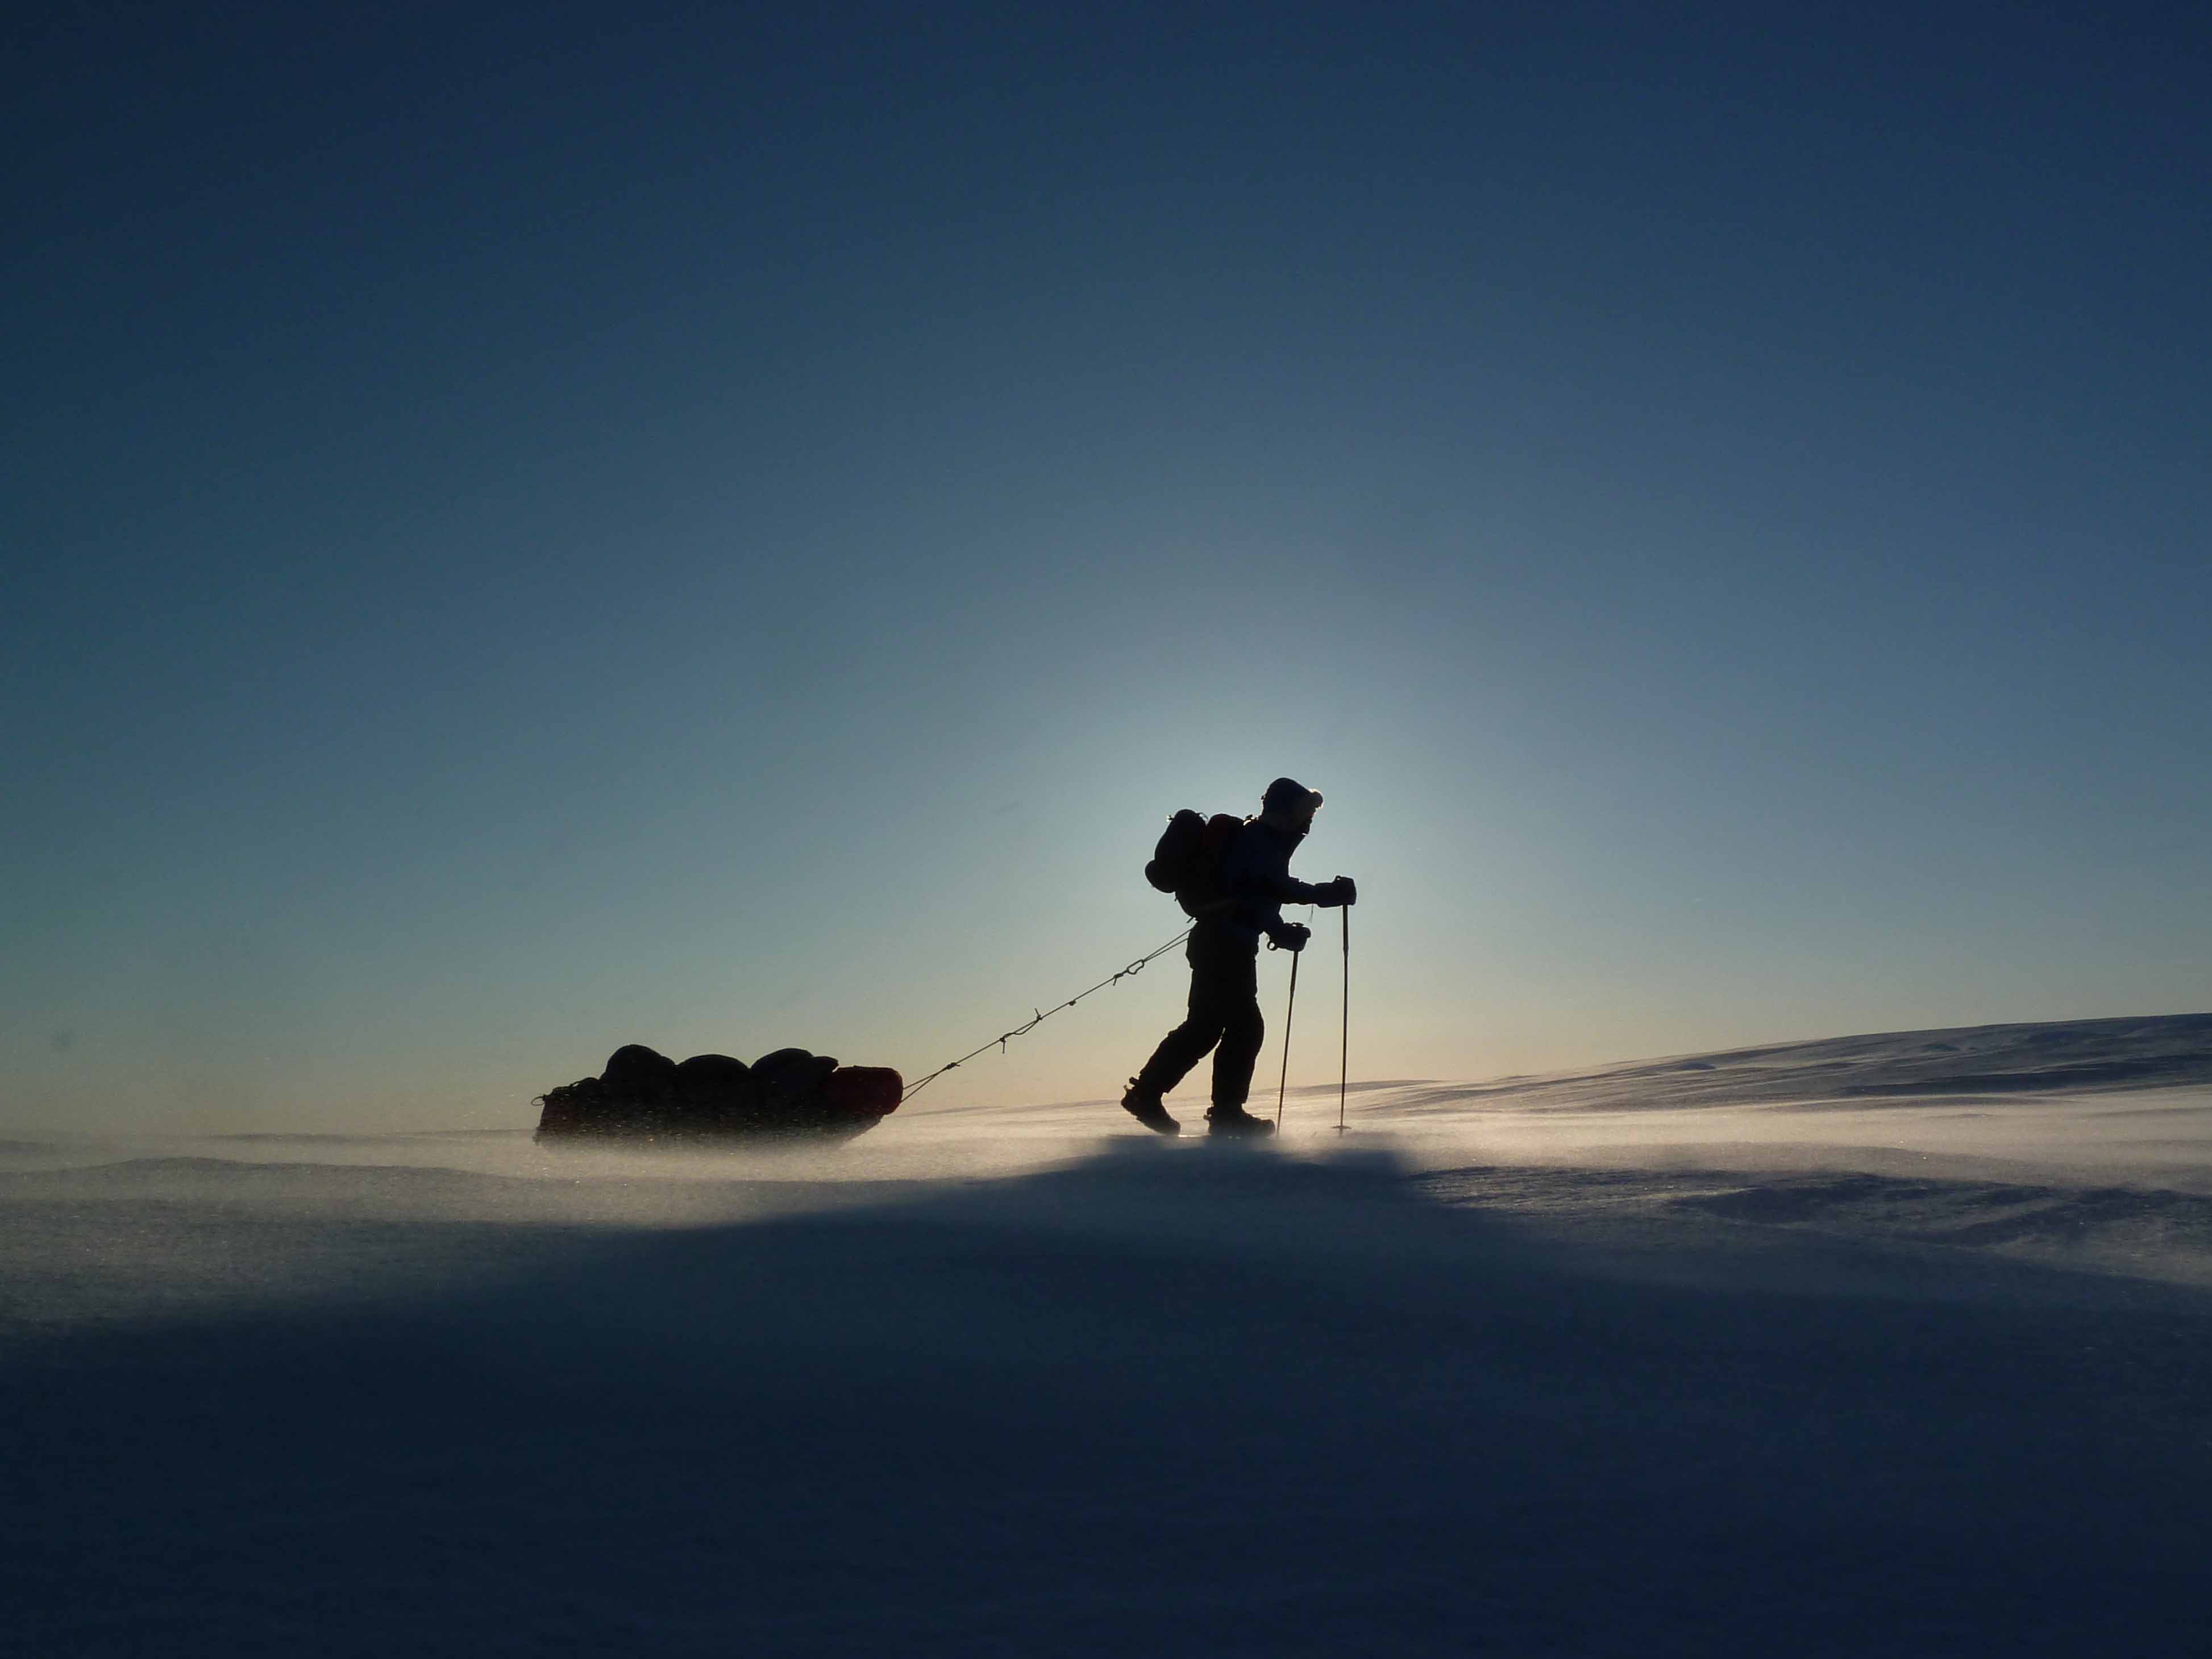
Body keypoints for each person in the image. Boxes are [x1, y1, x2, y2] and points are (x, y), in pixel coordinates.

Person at [1121, 777, 1356, 1137]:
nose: (1310, 821)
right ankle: (1221, 1110)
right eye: (1306, 811)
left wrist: (1278, 928)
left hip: (1222, 942)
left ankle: (1152, 1095)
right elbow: (1266, 890)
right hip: (1224, 944)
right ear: (1286, 811)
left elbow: (1255, 896)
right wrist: (1323, 896)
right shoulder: (1260, 841)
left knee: (1207, 1026)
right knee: (1242, 1026)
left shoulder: (1264, 842)